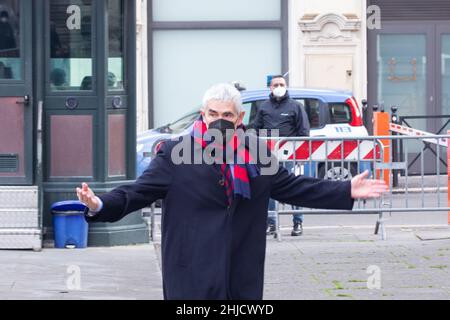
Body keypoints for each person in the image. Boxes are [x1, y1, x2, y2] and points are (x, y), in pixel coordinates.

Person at [76, 83, 388, 300]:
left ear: (239, 118)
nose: (219, 121)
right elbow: (137, 193)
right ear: (203, 114)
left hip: (240, 270)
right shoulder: (175, 153)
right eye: (214, 114)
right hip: (191, 273)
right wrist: (99, 204)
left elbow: (293, 188)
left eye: (227, 115)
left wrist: (346, 189)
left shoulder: (257, 153)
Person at [252, 75, 310, 236]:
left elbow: (303, 132)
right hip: (268, 156)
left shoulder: (295, 107)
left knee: (294, 189)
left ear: (286, 86)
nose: (279, 86)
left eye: (281, 84)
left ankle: (297, 223)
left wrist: (299, 156)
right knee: (268, 190)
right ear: (270, 88)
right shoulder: (263, 107)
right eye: (275, 84)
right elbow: (256, 129)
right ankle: (271, 223)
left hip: (290, 158)